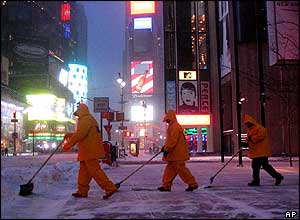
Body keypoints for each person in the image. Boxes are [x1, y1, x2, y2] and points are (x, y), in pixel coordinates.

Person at [63, 103, 118, 199]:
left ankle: (109, 187)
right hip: (87, 151)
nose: (77, 116)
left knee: (95, 171)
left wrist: (68, 144)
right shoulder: (88, 119)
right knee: (84, 172)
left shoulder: (85, 120)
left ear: (81, 112)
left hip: (90, 151)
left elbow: (80, 135)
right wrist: (70, 135)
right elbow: (83, 133)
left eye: (77, 114)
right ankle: (82, 191)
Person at [158, 109, 198, 192]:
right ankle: (166, 186)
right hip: (174, 155)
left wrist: (166, 149)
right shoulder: (173, 126)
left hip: (177, 154)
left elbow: (173, 141)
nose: (167, 122)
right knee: (169, 170)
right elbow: (171, 141)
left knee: (182, 170)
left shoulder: (175, 127)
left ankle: (192, 184)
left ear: (170, 119)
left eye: (167, 120)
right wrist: (166, 148)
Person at [244, 114, 284, 186]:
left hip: (261, 151)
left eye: (248, 123)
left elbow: (260, 136)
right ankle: (278, 176)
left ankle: (256, 181)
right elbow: (249, 138)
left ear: (251, 122)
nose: (247, 125)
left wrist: (251, 139)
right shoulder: (250, 129)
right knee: (265, 166)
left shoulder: (260, 128)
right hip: (257, 152)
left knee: (256, 166)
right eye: (246, 123)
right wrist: (246, 143)